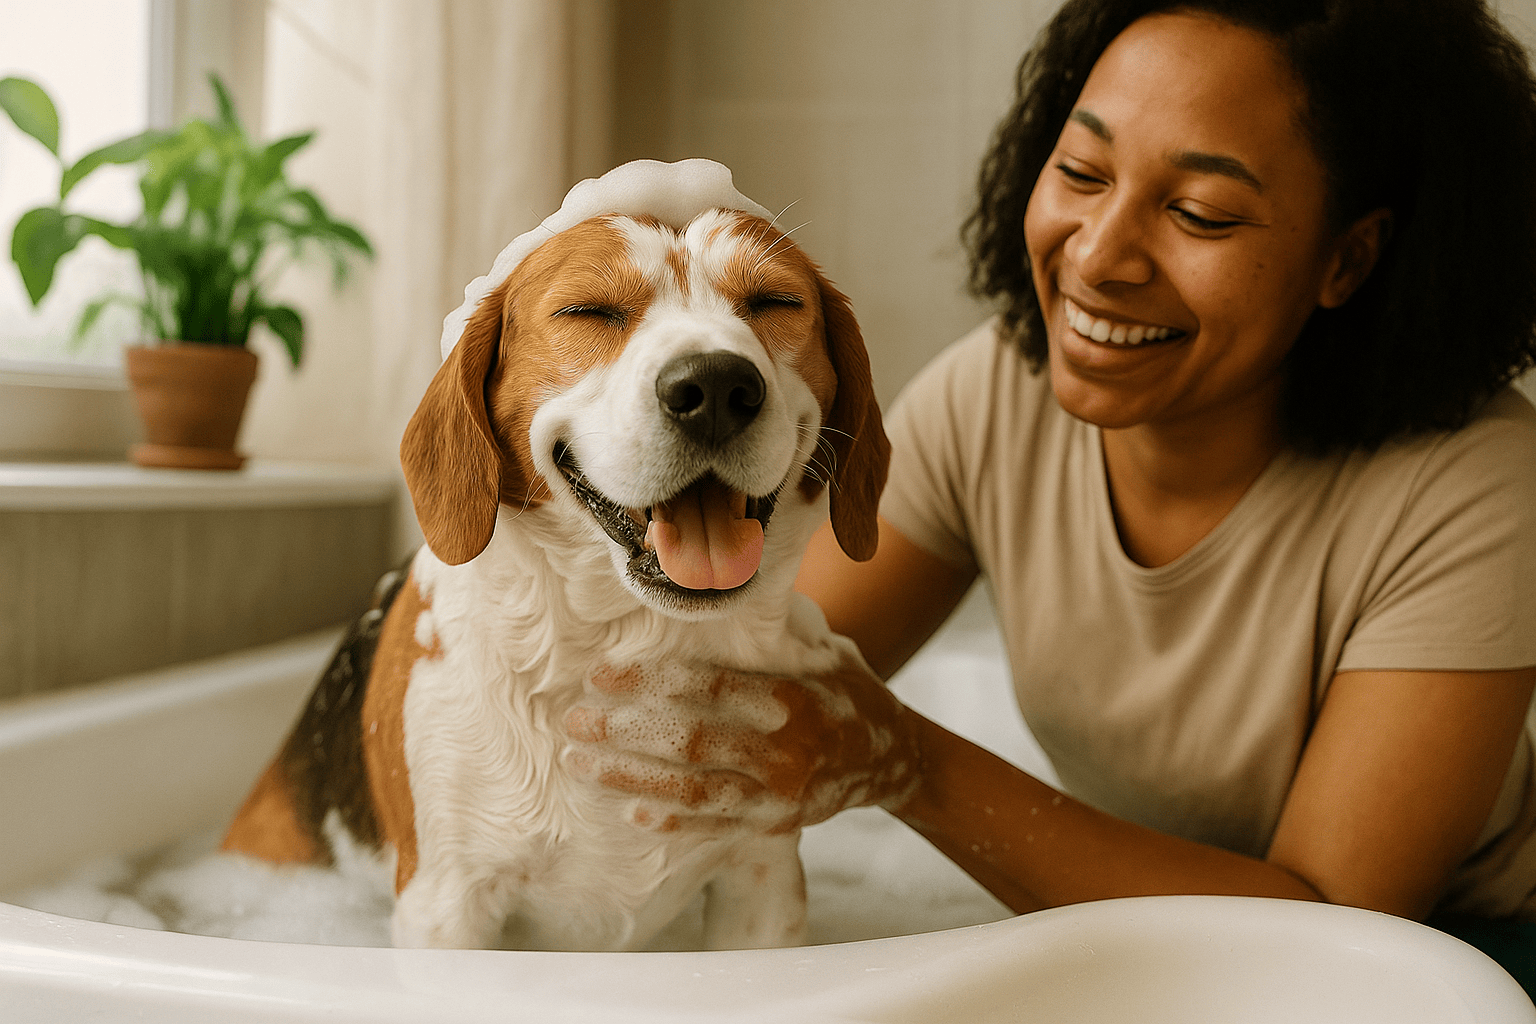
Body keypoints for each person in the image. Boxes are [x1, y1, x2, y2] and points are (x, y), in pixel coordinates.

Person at [563, 0, 1536, 988]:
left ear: (1349, 258)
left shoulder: (1474, 485)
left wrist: (905, 764)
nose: (1099, 257)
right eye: (1081, 171)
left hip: (1460, 963)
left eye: (1199, 212)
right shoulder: (996, 397)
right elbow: (742, 685)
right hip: (1149, 936)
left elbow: (1332, 936)